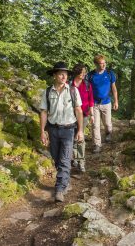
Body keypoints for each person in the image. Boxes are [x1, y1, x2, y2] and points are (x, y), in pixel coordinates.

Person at [39, 62, 84, 202]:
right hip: (53, 130)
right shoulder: (47, 92)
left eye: (66, 73)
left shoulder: (72, 90)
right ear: (54, 75)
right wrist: (42, 131)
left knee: (64, 160)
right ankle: (65, 180)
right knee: (57, 159)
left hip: (69, 129)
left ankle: (59, 189)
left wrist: (80, 130)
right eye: (60, 73)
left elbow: (79, 110)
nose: (64, 76)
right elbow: (44, 112)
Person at [88, 54, 118, 153]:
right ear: (96, 64)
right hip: (95, 104)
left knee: (107, 123)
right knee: (95, 125)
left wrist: (116, 101)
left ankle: (108, 133)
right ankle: (97, 145)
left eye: (105, 63)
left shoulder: (110, 74)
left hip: (106, 103)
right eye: (101, 63)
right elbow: (87, 90)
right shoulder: (90, 75)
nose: (104, 65)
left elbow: (114, 89)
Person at [71, 63, 94, 172]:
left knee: (80, 137)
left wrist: (92, 114)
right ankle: (74, 158)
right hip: (70, 115)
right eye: (82, 72)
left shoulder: (87, 85)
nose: (84, 74)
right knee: (72, 137)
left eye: (85, 72)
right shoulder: (69, 84)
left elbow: (91, 100)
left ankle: (81, 162)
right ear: (77, 72)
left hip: (84, 114)